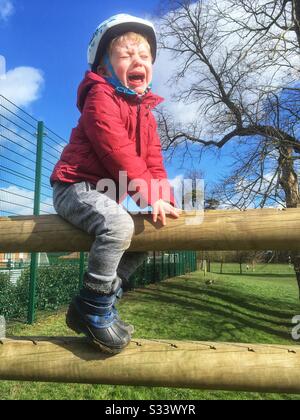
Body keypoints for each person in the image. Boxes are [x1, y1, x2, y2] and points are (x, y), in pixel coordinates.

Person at [50, 14, 181, 354]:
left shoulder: (147, 117)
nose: (138, 60)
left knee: (147, 237)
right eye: (127, 55)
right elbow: (117, 151)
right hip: (74, 187)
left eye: (145, 56)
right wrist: (147, 193)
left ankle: (104, 301)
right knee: (121, 224)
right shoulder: (100, 97)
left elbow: (154, 163)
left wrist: (163, 199)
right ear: (105, 68)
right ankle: (92, 309)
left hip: (105, 194)